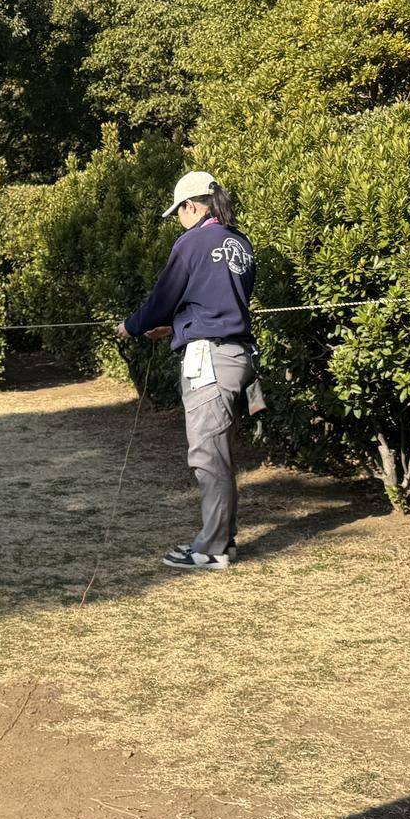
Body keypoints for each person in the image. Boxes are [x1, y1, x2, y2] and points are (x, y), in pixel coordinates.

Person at [116, 171, 263, 572]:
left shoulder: (193, 242)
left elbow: (163, 297)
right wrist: (178, 327)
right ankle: (223, 541)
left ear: (192, 205)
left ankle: (212, 548)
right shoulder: (241, 243)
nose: (179, 220)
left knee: (206, 457)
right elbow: (219, 303)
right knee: (221, 454)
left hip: (208, 362)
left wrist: (130, 326)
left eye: (179, 211)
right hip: (238, 358)